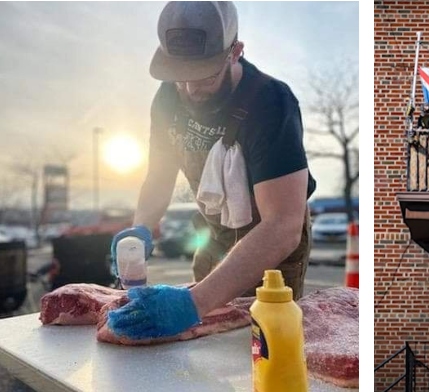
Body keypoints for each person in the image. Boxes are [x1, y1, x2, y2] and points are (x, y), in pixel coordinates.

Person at [106, 1, 316, 340]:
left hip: (269, 239)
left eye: (204, 75)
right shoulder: (166, 99)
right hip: (213, 230)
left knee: (264, 341)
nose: (190, 90)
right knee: (205, 341)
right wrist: (140, 228)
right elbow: (158, 177)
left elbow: (283, 225)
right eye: (179, 76)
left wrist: (194, 302)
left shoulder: (271, 102)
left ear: (235, 52)